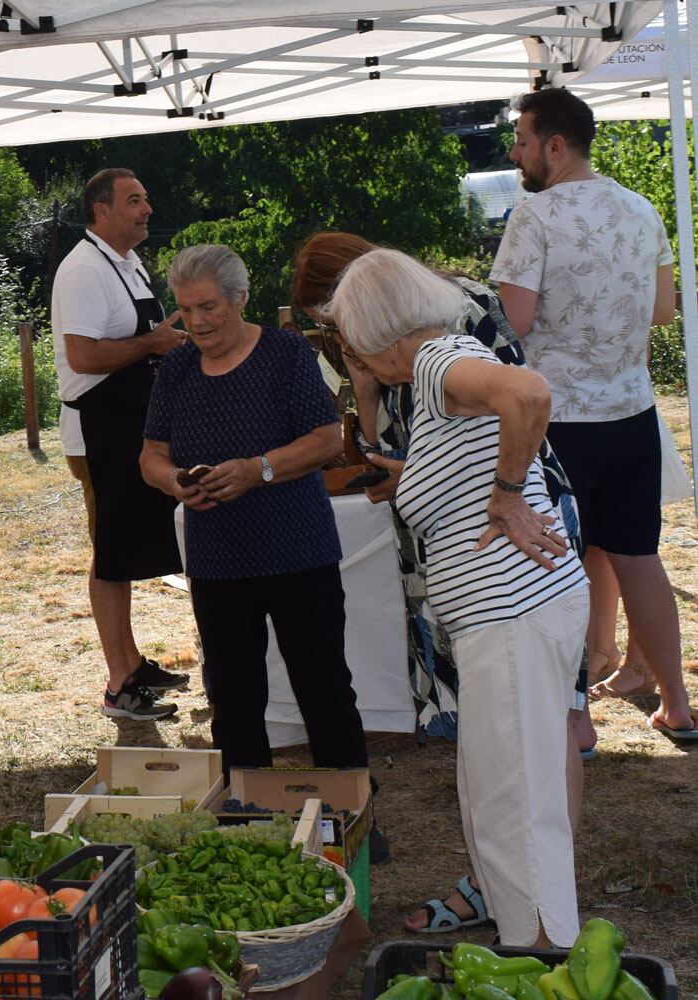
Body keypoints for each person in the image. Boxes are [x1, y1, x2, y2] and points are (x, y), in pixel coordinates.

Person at [292, 231, 593, 934]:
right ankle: (540, 943)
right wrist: (421, 478)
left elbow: (529, 391)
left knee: (512, 805)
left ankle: (540, 954)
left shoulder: (435, 358)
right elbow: (469, 448)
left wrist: (509, 494)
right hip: (512, 612)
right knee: (507, 794)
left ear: (371, 327)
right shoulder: (435, 364)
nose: (347, 354)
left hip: (513, 612)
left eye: (345, 337)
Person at [491, 87, 696, 740]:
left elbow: (513, 324)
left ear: (556, 145)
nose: (515, 152)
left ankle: (574, 721)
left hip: (561, 422)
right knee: (640, 560)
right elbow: (664, 311)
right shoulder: (641, 209)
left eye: (521, 141)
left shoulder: (535, 214)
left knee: (556, 565)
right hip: (633, 413)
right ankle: (679, 705)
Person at [138, 244, 368, 775]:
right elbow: (151, 455)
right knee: (233, 698)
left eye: (208, 307)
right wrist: (176, 481)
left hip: (298, 552)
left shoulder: (285, 355)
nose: (196, 321)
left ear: (240, 298)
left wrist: (256, 469)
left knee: (324, 687)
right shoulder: (175, 369)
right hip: (218, 560)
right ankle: (244, 816)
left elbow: (327, 438)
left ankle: (351, 814)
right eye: (185, 309)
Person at [52, 168, 189, 721]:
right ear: (100, 211)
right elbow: (83, 357)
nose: (147, 209)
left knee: (129, 546)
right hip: (98, 432)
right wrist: (154, 343)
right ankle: (118, 684)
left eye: (147, 198)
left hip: (132, 424)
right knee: (111, 553)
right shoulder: (83, 269)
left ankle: (132, 662)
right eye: (134, 200)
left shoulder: (127, 263)